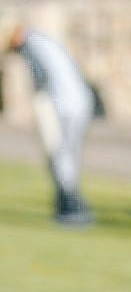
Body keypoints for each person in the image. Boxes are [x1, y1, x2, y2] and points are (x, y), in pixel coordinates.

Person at [2, 12, 96, 226]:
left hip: (65, 105)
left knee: (60, 152)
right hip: (72, 102)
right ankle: (67, 200)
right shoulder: (40, 41)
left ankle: (70, 204)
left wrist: (44, 107)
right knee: (63, 154)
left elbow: (45, 81)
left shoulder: (34, 45)